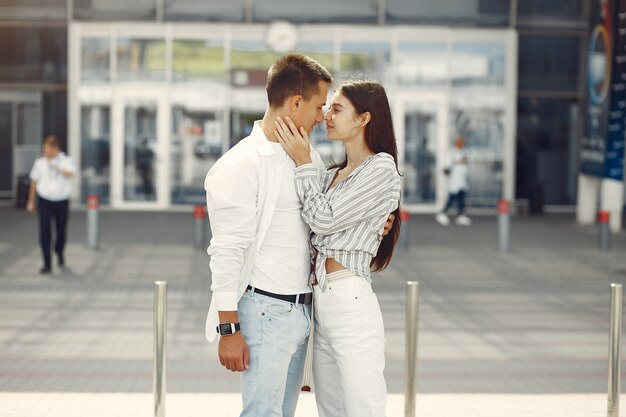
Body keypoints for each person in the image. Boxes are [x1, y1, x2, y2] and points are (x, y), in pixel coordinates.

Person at [203, 54, 332, 417]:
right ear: (295, 103)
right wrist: (228, 328)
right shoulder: (241, 164)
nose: (322, 116)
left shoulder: (309, 158)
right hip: (264, 312)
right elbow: (226, 251)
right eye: (319, 106)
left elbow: (323, 220)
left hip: (303, 311)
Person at [274, 79, 402, 417]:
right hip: (322, 304)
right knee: (330, 408)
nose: (327, 115)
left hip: (351, 301)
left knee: (364, 408)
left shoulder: (381, 168)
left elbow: (324, 220)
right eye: (328, 107)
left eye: (337, 108)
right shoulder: (333, 174)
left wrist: (302, 162)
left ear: (363, 118)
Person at [26, 135, 76, 274]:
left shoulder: (66, 160)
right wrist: (31, 201)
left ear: (55, 149)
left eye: (47, 149)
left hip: (62, 200)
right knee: (44, 231)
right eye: (44, 149)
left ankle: (59, 252)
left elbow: (70, 174)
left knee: (61, 231)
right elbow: (34, 182)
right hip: (45, 200)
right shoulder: (40, 163)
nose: (44, 152)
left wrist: (56, 166)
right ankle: (47, 263)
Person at [435, 136, 472, 226]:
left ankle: (461, 215)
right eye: (460, 142)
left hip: (462, 179)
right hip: (454, 179)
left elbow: (467, 162)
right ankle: (442, 214)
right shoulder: (451, 152)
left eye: (463, 142)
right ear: (456, 143)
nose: (462, 144)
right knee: (452, 197)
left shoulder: (465, 152)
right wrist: (458, 161)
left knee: (461, 198)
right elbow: (447, 165)